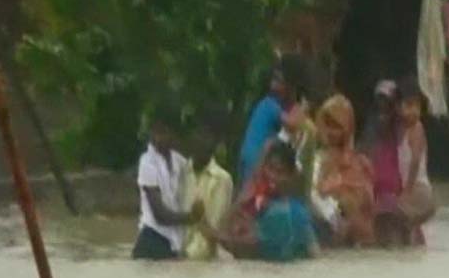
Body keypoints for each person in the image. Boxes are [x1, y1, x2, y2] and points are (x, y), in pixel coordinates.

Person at [209, 142, 319, 262]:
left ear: (291, 175)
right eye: (270, 168)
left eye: (280, 172)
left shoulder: (283, 212)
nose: (272, 176)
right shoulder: (264, 206)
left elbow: (235, 246)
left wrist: (204, 226)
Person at [132, 106, 204, 260]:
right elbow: (160, 214)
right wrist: (190, 218)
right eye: (156, 132)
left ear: (174, 134)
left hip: (171, 241)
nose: (159, 138)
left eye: (164, 132)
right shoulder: (147, 162)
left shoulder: (179, 162)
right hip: (151, 239)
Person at [371, 76, 436, 247]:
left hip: (418, 189)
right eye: (407, 105)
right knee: (400, 225)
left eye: (416, 106)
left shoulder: (417, 128)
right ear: (398, 107)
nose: (413, 111)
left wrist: (406, 191)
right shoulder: (400, 130)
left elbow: (415, 160)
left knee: (392, 215)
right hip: (413, 189)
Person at [310, 94, 375, 246]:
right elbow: (314, 192)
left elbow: (368, 200)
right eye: (328, 125)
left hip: (353, 228)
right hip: (324, 220)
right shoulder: (316, 158)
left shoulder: (361, 162)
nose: (331, 132)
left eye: (337, 126)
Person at [237, 54, 308, 187]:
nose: (274, 83)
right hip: (254, 157)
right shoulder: (270, 104)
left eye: (279, 80)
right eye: (274, 78)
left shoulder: (269, 103)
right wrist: (303, 108)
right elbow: (292, 124)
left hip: (248, 156)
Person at [181, 123, 234, 261]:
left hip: (207, 257)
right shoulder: (181, 173)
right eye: (198, 141)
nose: (202, 146)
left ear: (213, 147)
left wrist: (200, 217)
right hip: (180, 253)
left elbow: (215, 227)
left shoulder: (222, 179)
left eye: (206, 142)